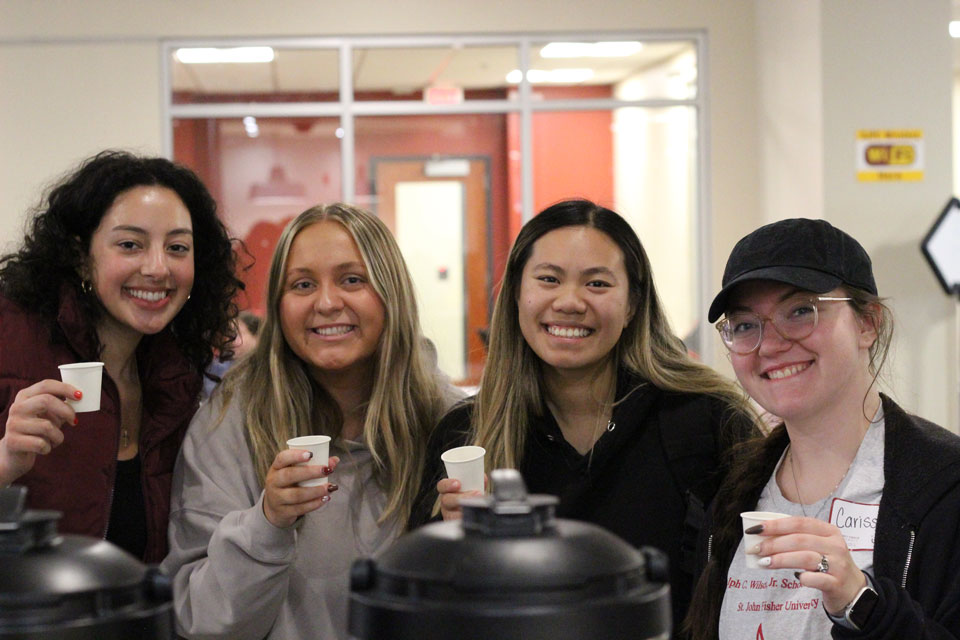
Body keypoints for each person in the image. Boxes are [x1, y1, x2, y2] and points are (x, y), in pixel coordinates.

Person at [411, 199, 760, 630]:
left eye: (596, 284)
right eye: (549, 279)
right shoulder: (467, 435)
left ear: (633, 304)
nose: (570, 302)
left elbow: (757, 585)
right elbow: (421, 610)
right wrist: (451, 544)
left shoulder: (705, 421)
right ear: (517, 294)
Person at [162, 203, 463, 639]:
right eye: (302, 284)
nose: (326, 303)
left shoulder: (447, 423)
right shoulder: (230, 422)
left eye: (352, 280)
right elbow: (202, 623)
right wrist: (268, 522)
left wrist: (478, 543)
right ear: (279, 307)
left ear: (391, 293)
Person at [686, 218, 960, 639]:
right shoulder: (734, 493)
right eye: (745, 325)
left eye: (800, 312)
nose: (771, 345)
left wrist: (862, 604)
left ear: (868, 324)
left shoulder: (942, 486)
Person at [0, 150, 240, 562]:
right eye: (130, 244)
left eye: (178, 247)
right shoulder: (11, 336)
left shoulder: (178, 374)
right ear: (80, 256)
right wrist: (4, 463)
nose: (157, 268)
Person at [201, 310, 262, 401]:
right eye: (228, 335)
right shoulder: (219, 367)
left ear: (256, 336)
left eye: (235, 334)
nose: (228, 341)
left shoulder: (267, 367)